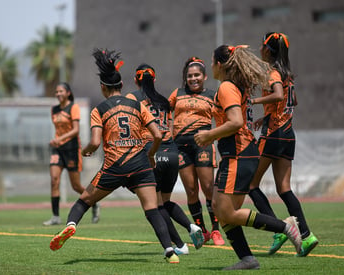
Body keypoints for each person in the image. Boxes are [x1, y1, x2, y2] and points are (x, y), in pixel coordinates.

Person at [49, 49, 180, 264]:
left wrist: (85, 151)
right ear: (121, 85)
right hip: (140, 165)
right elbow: (158, 134)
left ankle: (70, 225)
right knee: (152, 210)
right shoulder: (137, 105)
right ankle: (169, 251)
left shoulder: (99, 110)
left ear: (103, 87)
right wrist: (151, 155)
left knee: (84, 201)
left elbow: (95, 142)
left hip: (114, 167)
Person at [194, 44, 302, 270]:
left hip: (239, 154)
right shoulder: (233, 86)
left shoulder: (226, 87)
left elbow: (236, 122)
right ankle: (248, 259)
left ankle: (285, 226)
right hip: (238, 153)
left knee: (226, 211)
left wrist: (209, 135)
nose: (211, 65)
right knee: (220, 208)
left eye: (212, 61)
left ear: (219, 64)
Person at [248, 32, 318, 256]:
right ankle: (307, 236)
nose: (259, 49)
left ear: (268, 50)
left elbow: (278, 95)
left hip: (274, 135)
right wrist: (266, 116)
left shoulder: (273, 73)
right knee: (284, 189)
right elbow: (291, 101)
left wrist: (256, 101)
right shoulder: (288, 74)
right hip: (288, 133)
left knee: (250, 184)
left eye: (262, 46)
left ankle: (277, 229)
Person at [126, 64, 205, 254]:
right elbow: (167, 127)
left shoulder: (132, 98)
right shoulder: (163, 100)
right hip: (172, 153)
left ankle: (180, 246)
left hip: (152, 152)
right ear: (154, 79)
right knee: (165, 202)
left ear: (136, 80)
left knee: (155, 206)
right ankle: (191, 227)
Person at [168, 57, 225, 246]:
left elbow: (224, 118)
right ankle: (203, 230)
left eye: (197, 75)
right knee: (191, 190)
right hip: (180, 148)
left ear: (204, 76)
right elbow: (165, 114)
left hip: (203, 144)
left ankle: (216, 229)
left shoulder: (212, 95)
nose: (193, 78)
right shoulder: (177, 93)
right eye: (190, 75)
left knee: (208, 188)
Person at [43, 82, 100, 226]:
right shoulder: (54, 109)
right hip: (58, 149)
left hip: (72, 149)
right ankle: (55, 216)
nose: (58, 94)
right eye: (56, 92)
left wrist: (59, 139)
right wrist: (56, 141)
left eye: (61, 91)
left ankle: (93, 202)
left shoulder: (73, 107)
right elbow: (58, 129)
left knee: (76, 186)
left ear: (68, 93)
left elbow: (76, 130)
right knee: (54, 180)